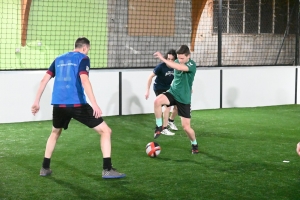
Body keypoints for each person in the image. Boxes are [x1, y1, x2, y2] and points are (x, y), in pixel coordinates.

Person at [31, 37, 125, 179]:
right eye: (88, 50)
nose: (87, 52)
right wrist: (94, 104)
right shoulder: (83, 58)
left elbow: (44, 80)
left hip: (59, 105)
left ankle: (44, 167)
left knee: (55, 132)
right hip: (77, 105)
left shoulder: (58, 59)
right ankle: (107, 169)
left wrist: (36, 101)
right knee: (106, 131)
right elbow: (84, 79)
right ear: (84, 48)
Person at [152, 45, 199, 154]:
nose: (180, 60)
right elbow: (173, 64)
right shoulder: (177, 61)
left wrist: (162, 58)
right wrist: (167, 60)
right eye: (179, 58)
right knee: (157, 101)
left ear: (188, 56)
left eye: (182, 58)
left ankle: (194, 144)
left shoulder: (192, 64)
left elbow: (179, 67)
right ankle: (159, 126)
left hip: (184, 98)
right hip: (173, 92)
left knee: (186, 128)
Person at [145, 49, 178, 136]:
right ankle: (163, 128)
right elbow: (150, 77)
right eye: (168, 59)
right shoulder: (161, 66)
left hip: (169, 88)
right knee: (167, 107)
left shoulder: (176, 66)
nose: (169, 61)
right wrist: (147, 90)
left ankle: (170, 121)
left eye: (172, 59)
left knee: (177, 106)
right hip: (159, 87)